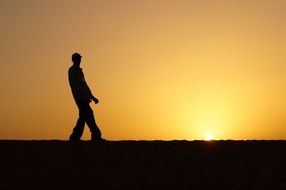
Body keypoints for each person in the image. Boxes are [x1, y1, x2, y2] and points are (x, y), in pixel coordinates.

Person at [68, 52, 103, 141]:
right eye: (78, 59)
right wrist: (87, 97)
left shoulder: (78, 71)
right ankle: (95, 135)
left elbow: (84, 85)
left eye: (79, 59)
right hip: (81, 98)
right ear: (74, 60)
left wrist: (91, 97)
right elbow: (78, 86)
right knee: (87, 115)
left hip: (83, 98)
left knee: (84, 117)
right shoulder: (73, 71)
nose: (79, 60)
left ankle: (76, 136)